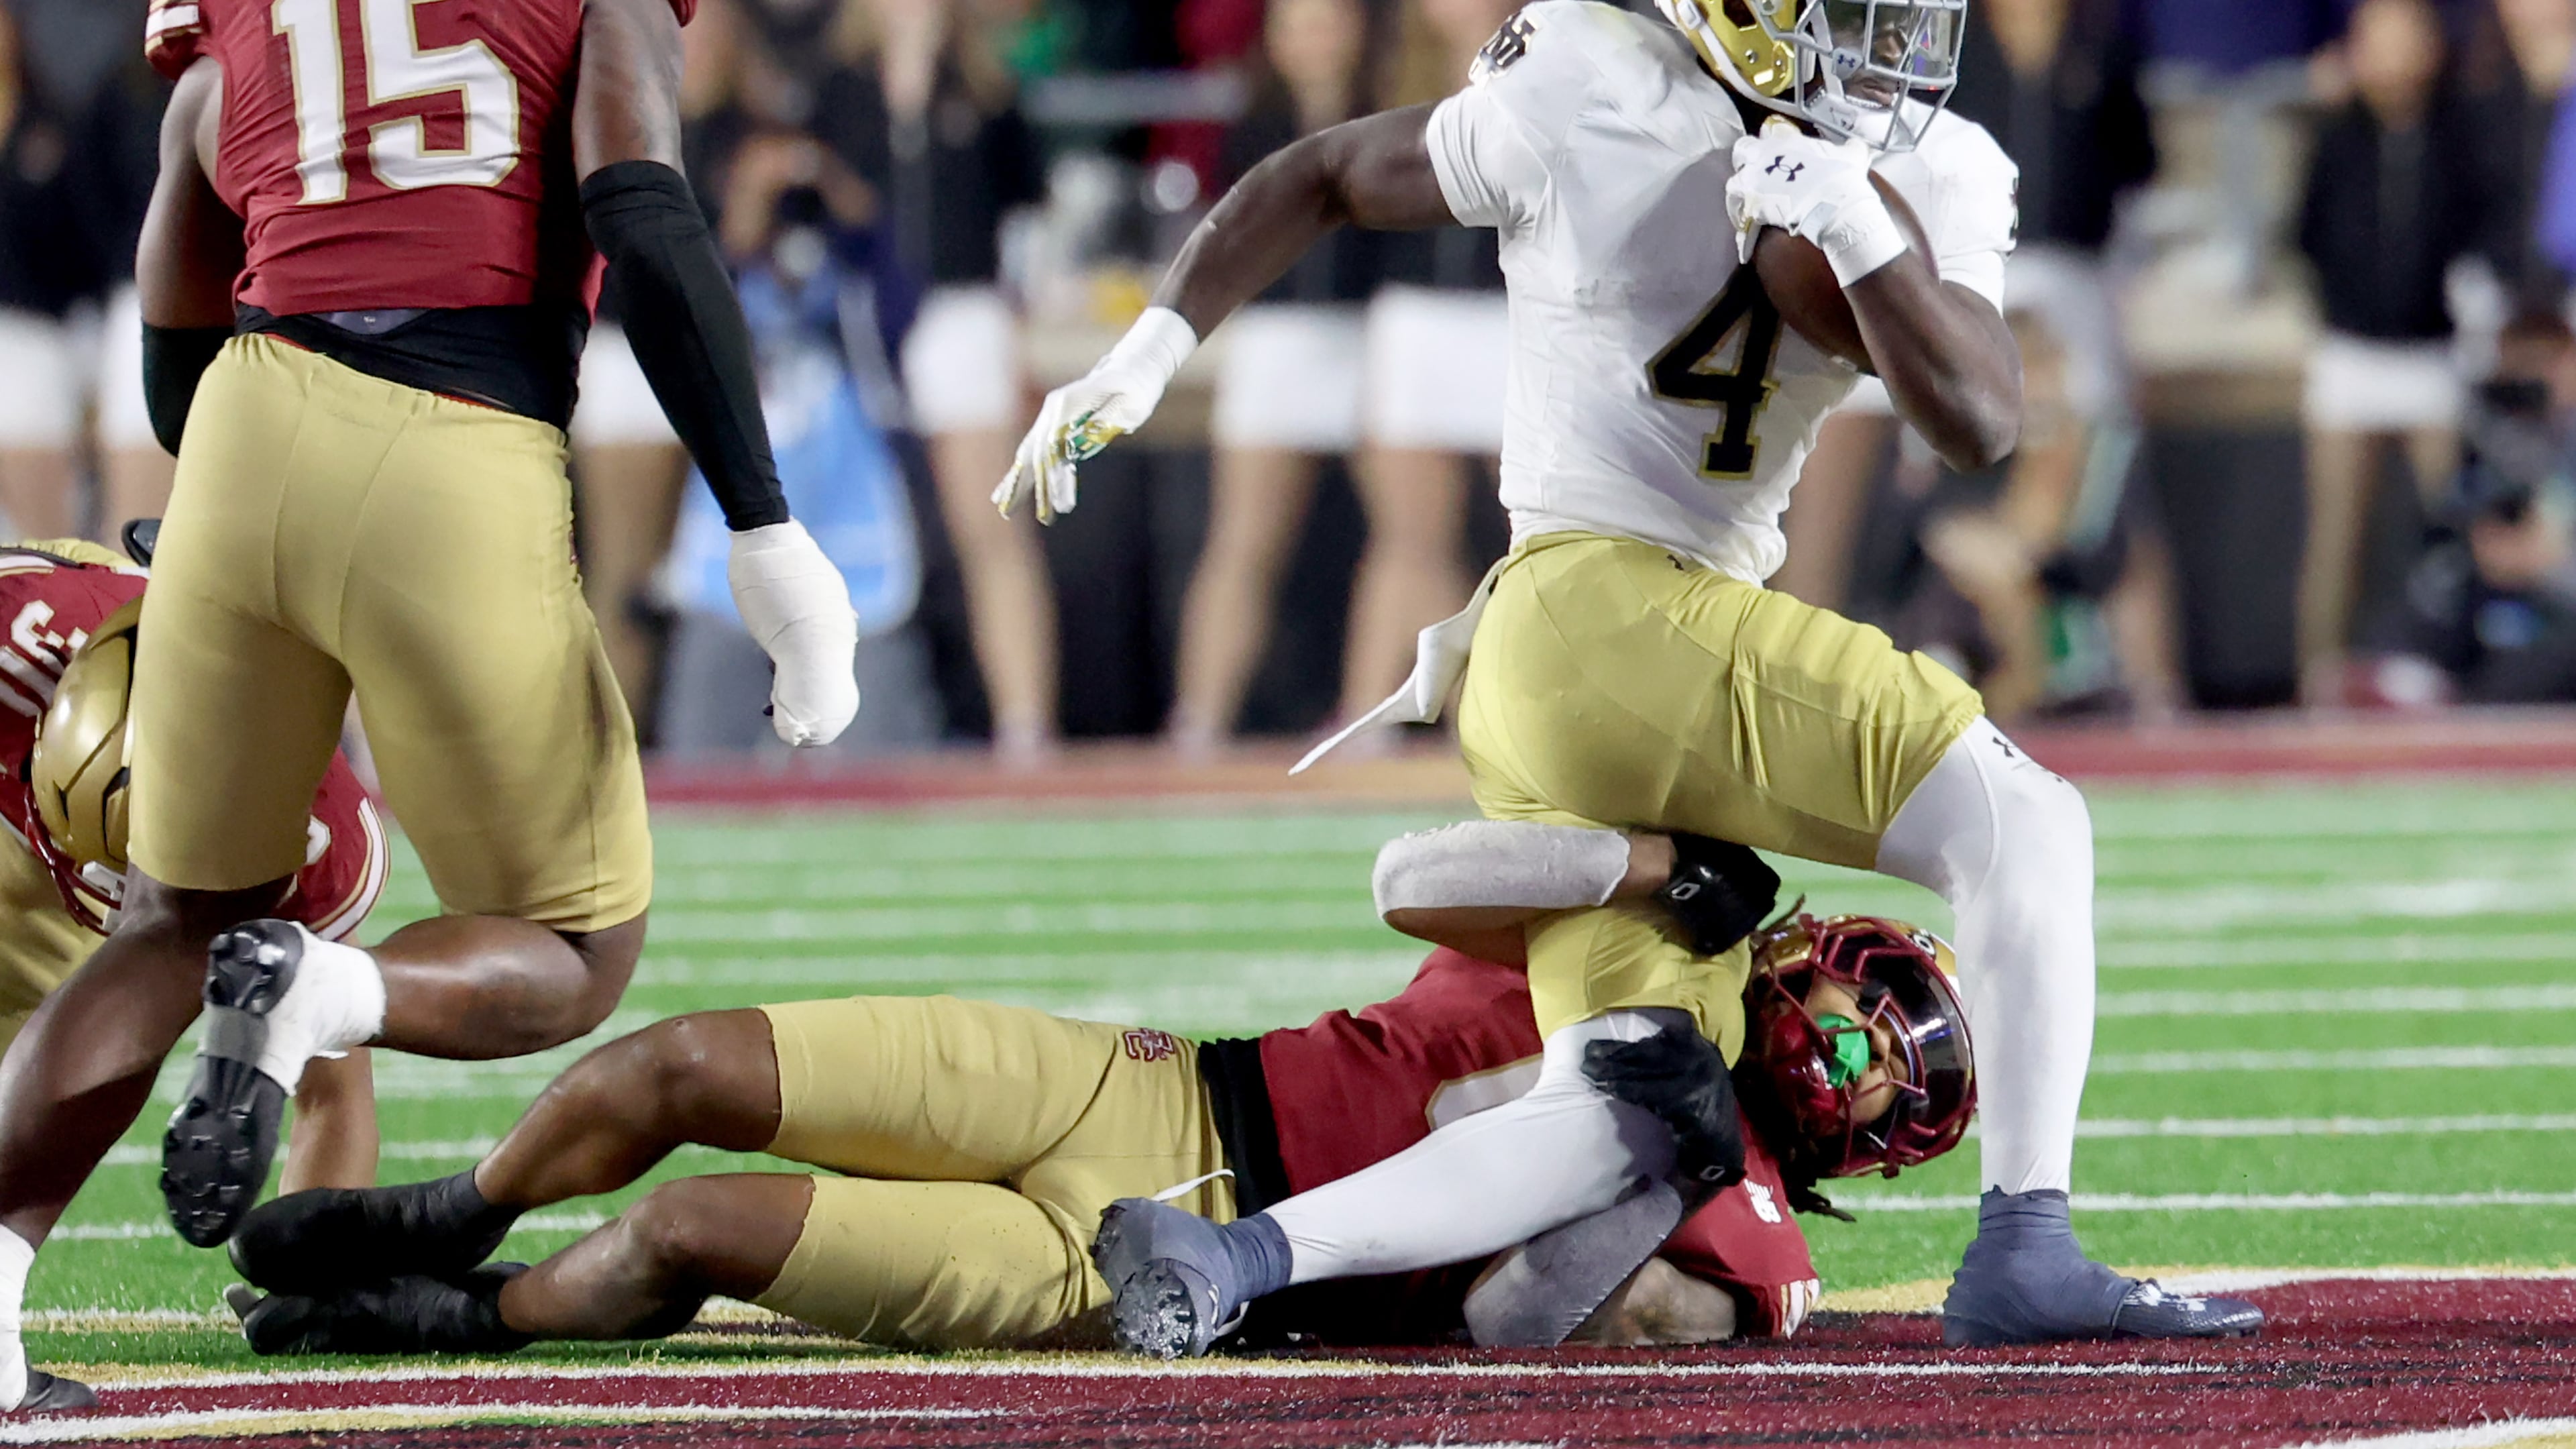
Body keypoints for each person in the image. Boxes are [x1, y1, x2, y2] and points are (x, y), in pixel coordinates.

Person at [998, 0, 2263, 1352]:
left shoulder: (1927, 165)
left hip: (1551, 665)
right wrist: (1139, 356)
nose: (1893, 38)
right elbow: (1319, 175)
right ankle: (2027, 1243)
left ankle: (1236, 1260)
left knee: (1619, 1112)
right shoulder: (1592, 77)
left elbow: (1980, 418)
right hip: (1617, 607)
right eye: (1854, 9)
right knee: (2026, 823)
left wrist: (1860, 225)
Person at [0, 0, 864, 1415]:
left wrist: (237, 496)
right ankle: (322, 987)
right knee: (576, 947)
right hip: (459, 437)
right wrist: (764, 526)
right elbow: (641, 210)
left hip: (244, 425)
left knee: (168, 916)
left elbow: (179, 299)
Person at [213, 879, 1963, 1356]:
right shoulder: (1625, 946)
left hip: (1155, 1256)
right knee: (679, 1069)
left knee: (689, 1233)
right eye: (1866, 1011)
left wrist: (1665, 1164)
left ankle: (486, 1314)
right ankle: (468, 1205)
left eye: (1881, 1061)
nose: (1852, 1051)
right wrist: (1655, 874)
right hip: (1148, 1079)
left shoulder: (1745, 1237)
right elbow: (1423, 882)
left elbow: (1521, 1324)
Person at [0, 535, 387, 1412]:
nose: (111, 886)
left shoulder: (308, 836)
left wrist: (307, 1275)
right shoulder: (15, 645)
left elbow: (334, 1090)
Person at [1163, 0, 1387, 754]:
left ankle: (1371, 716)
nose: (1318, 40)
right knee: (1244, 540)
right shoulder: (1254, 126)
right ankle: (1201, 718)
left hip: (1370, 334)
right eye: (1301, 25)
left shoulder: (1396, 118)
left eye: (1330, 22)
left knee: (1412, 534)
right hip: (1280, 338)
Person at [2295, 0, 2508, 704]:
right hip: (2353, 353)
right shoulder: (2337, 134)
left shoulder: (2463, 130)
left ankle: (2457, 667)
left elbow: (2481, 226)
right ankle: (2319, 680)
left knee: (2450, 523)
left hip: (2432, 358)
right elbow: (2306, 235)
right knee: (2335, 538)